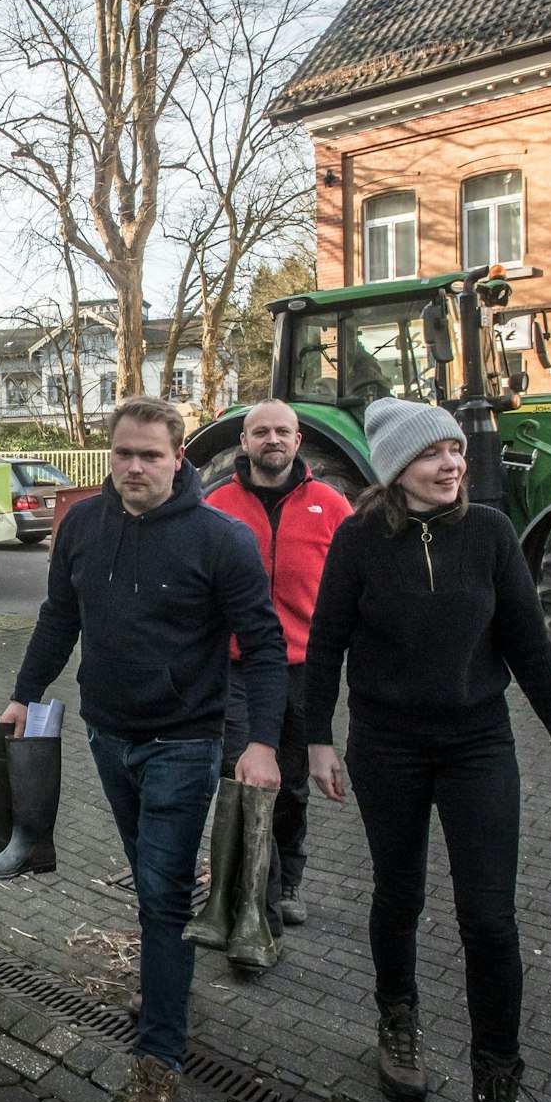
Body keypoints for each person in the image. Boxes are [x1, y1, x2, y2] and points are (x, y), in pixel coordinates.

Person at [302, 398, 551, 1102]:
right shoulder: (356, 541)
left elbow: (528, 645)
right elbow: (325, 645)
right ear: (395, 469)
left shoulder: (490, 533)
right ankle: (397, 1022)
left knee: (489, 918)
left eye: (454, 451)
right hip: (387, 744)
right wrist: (317, 739)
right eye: (432, 454)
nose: (452, 465)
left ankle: (496, 1084)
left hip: (479, 742)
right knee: (399, 894)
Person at [6, 395, 288, 1102]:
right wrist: (23, 695)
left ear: (178, 459)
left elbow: (262, 644)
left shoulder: (220, 539)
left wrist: (263, 741)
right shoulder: (81, 526)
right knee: (151, 881)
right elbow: (57, 618)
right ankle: (173, 940)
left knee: (160, 901)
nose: (135, 467)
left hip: (184, 742)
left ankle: (155, 1072)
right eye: (124, 454)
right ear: (111, 455)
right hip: (107, 734)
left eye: (151, 455)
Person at [200, 399, 351, 943]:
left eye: (282, 431)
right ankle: (247, 904)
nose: (272, 440)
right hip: (237, 667)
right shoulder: (214, 502)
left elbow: (354, 586)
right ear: (243, 441)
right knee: (243, 779)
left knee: (290, 788)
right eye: (260, 431)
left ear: (297, 441)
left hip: (305, 669)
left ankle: (285, 883)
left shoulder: (331, 506)